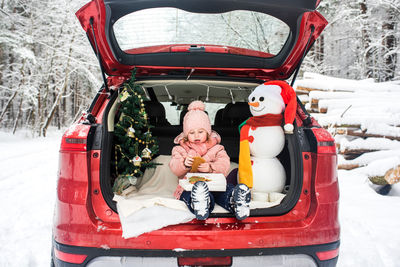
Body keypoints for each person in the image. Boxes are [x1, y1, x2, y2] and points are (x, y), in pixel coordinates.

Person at [169, 100, 251, 220]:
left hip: (214, 184)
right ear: (186, 134)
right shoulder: (180, 149)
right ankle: (201, 203)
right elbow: (174, 167)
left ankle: (235, 199)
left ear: (208, 132)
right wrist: (184, 164)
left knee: (225, 190)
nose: (196, 136)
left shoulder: (217, 148)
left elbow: (224, 163)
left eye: (201, 132)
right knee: (189, 194)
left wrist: (211, 168)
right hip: (190, 186)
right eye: (191, 132)